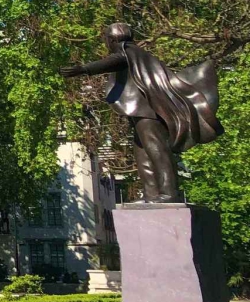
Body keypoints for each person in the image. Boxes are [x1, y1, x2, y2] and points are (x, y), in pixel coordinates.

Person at [61, 23, 222, 203]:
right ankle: (151, 193)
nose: (106, 42)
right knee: (142, 153)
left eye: (106, 39)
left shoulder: (129, 52)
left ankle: (169, 193)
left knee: (156, 150)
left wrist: (84, 69)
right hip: (141, 112)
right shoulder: (137, 55)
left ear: (112, 40)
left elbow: (115, 61)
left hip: (147, 112)